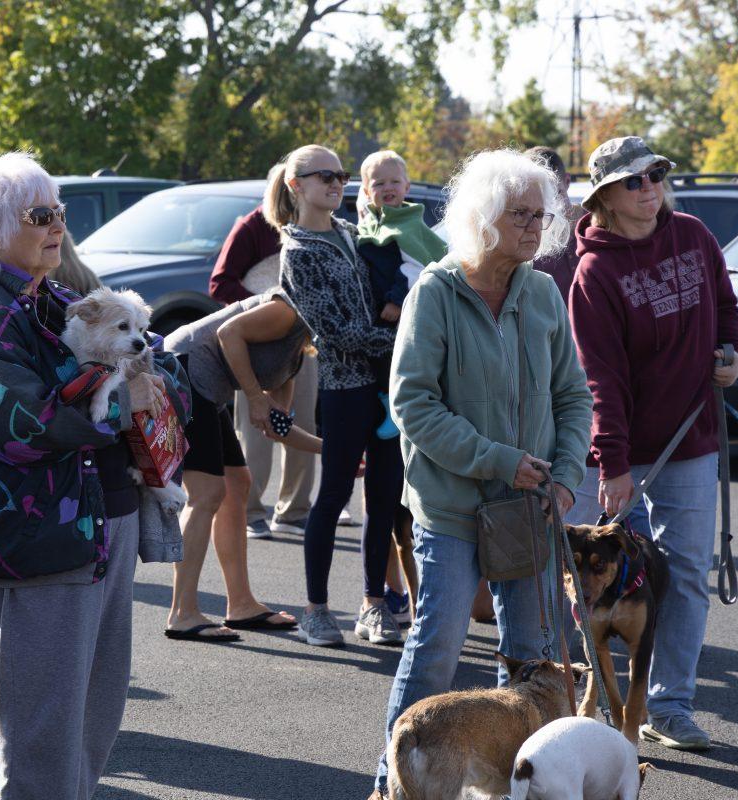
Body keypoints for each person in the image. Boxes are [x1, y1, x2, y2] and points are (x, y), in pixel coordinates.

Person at [0, 152, 189, 800]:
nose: (57, 226)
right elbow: (21, 424)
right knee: (46, 727)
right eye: (39, 215)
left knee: (94, 710)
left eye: (59, 212)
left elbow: (153, 366)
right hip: (39, 535)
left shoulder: (53, 299)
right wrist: (124, 408)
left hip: (98, 521)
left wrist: (152, 385)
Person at [368, 149, 593, 799]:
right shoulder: (434, 292)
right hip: (450, 505)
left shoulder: (542, 293)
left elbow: (573, 398)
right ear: (482, 217)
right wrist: (500, 460)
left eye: (541, 215)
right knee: (436, 650)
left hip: (529, 507)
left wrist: (565, 478)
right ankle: (387, 785)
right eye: (520, 214)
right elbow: (412, 405)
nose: (535, 226)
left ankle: (522, 787)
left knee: (531, 659)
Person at [566, 136, 738, 751]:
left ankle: (669, 707)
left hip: (692, 438)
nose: (648, 188)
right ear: (604, 198)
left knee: (688, 573)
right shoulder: (593, 272)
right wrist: (613, 463)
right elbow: (601, 378)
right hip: (621, 451)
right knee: (589, 578)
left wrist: (734, 355)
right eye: (633, 181)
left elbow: (727, 308)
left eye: (655, 174)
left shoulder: (693, 235)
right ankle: (592, 698)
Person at [267, 144, 404, 648]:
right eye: (323, 175)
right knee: (332, 496)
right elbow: (336, 332)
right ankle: (316, 611)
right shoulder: (298, 251)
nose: (335, 183)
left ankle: (374, 603)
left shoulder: (352, 233)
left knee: (385, 497)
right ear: (295, 185)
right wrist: (403, 341)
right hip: (345, 389)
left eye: (340, 175)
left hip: (386, 387)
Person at [161, 289, 313, 640]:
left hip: (207, 387)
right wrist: (255, 397)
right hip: (183, 370)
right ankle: (182, 613)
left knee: (236, 484)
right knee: (206, 492)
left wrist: (334, 451)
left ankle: (241, 605)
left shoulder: (298, 349)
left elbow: (278, 428)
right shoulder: (288, 309)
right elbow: (228, 333)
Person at [355, 149, 449, 624]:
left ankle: (423, 598)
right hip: (378, 348)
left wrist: (395, 298)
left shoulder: (411, 225)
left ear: (408, 186)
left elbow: (420, 267)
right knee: (382, 493)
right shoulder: (366, 229)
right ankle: (388, 590)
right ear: (366, 190)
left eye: (395, 182)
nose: (388, 189)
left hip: (408, 333)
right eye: (378, 183)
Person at [208, 187, 320, 538]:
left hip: (301, 339)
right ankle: (251, 510)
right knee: (257, 427)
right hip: (257, 343)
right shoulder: (252, 226)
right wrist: (266, 306)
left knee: (301, 420)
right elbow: (220, 284)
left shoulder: (320, 227)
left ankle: (294, 511)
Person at [526, 145, 583, 304]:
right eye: (542, 198)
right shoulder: (526, 241)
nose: (551, 206)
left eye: (556, 193)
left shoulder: (598, 226)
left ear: (567, 181)